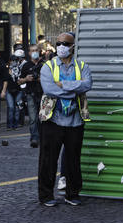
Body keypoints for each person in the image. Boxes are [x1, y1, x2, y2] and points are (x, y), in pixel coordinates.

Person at [37, 32, 92, 207]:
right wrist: (74, 90)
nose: (61, 46)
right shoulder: (48, 66)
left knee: (73, 159)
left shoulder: (82, 66)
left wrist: (64, 85)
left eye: (66, 44)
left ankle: (72, 194)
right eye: (59, 43)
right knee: (48, 159)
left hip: (75, 121)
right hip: (52, 119)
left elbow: (87, 84)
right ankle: (46, 195)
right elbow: (49, 89)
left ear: (73, 47)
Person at [21, 44, 43, 148]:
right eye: (32, 50)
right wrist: (26, 79)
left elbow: (51, 79)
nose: (34, 52)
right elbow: (19, 81)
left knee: (42, 118)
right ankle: (34, 138)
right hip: (30, 94)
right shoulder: (26, 66)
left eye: (36, 50)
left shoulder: (44, 64)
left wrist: (39, 79)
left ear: (39, 51)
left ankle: (42, 137)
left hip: (43, 94)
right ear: (29, 53)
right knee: (33, 118)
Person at [6, 48, 26, 130]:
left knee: (17, 108)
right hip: (9, 90)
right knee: (11, 108)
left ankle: (16, 125)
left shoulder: (20, 69)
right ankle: (9, 125)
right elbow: (5, 80)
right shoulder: (7, 69)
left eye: (15, 60)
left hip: (18, 90)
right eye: (12, 60)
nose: (13, 62)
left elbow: (23, 79)